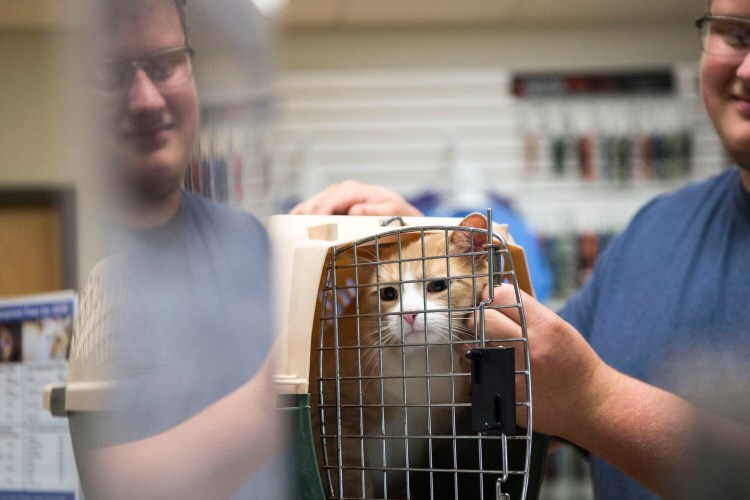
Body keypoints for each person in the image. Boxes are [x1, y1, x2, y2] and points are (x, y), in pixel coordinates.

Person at [291, 0, 750, 497]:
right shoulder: (654, 230)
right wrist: (427, 249)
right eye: (735, 33)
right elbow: (519, 407)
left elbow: (572, 396)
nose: (746, 70)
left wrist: (593, 401)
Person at [67, 1, 286, 499]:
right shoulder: (91, 264)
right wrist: (268, 402)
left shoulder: (250, 243)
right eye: (109, 73)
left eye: (164, 65)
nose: (146, 99)